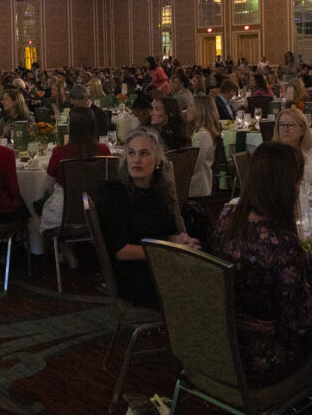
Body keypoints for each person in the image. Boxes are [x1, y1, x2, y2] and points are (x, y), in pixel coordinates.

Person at [212, 142, 312, 387]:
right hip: (262, 360)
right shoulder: (283, 242)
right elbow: (303, 324)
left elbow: (259, 261)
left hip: (222, 345)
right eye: (298, 181)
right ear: (287, 186)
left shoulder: (227, 216)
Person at [96, 128, 199, 309]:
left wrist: (175, 240)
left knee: (210, 268)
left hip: (161, 264)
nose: (136, 159)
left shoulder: (160, 191)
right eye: (131, 153)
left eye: (144, 153)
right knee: (203, 283)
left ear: (158, 159)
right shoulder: (113, 192)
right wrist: (171, 250)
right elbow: (122, 251)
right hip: (135, 274)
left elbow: (163, 233)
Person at [39, 107, 112, 264]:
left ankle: (64, 248)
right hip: (96, 214)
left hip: (65, 217)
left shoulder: (60, 152)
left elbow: (48, 186)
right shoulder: (104, 150)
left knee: (42, 201)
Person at [274, 108, 312, 185]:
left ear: (303, 130)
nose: (285, 129)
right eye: (282, 124)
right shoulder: (270, 156)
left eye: (291, 125)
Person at [188, 95, 221, 199]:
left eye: (191, 106)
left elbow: (194, 165)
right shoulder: (200, 132)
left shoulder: (203, 136)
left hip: (197, 187)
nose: (187, 109)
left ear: (200, 110)